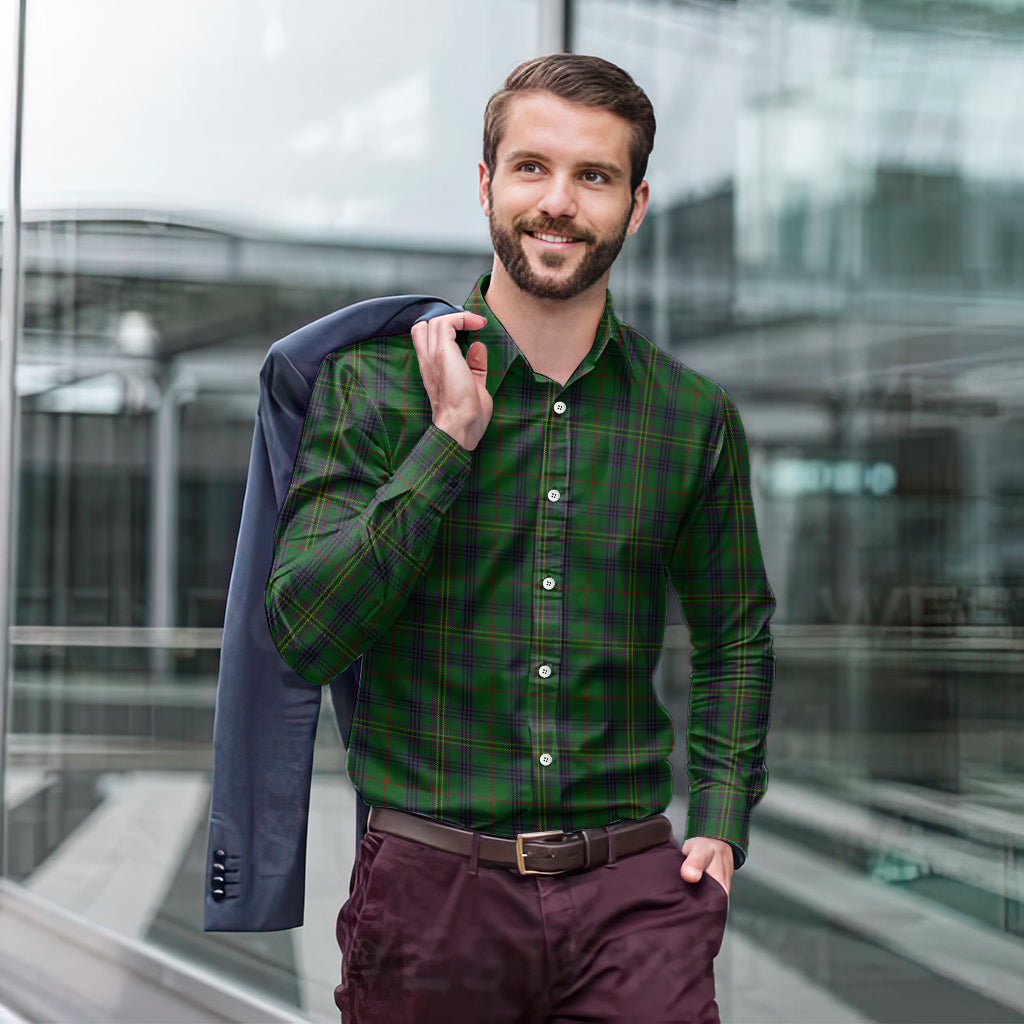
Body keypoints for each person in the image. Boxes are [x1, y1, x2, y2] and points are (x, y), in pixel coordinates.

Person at [265, 53, 775, 1024]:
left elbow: (734, 633)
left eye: (595, 176)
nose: (559, 202)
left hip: (635, 897)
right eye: (532, 167)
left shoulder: (690, 417)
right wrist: (448, 441)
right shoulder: (373, 388)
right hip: (432, 896)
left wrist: (718, 818)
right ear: (487, 182)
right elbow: (304, 630)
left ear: (636, 203)